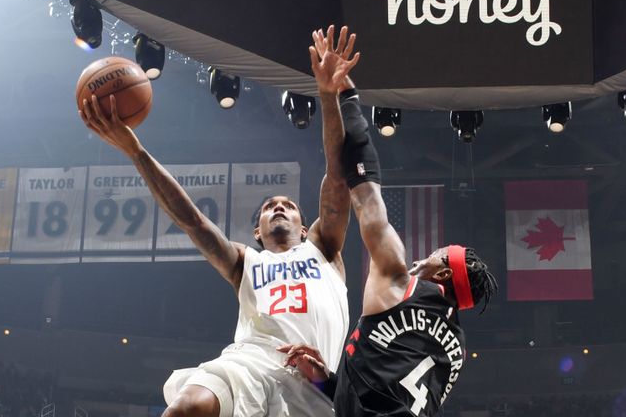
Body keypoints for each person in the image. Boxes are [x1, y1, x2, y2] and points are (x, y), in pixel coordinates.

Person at [78, 26, 361, 417]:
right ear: (257, 231)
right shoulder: (247, 262)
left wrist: (329, 97)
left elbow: (338, 175)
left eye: (289, 205)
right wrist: (134, 149)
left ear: (304, 224)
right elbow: (191, 221)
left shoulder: (323, 248)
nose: (279, 206)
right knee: (188, 405)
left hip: (312, 383)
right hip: (248, 364)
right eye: (270, 206)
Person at [279, 27, 499, 417]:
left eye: (437, 253)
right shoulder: (455, 348)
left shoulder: (399, 279)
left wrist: (346, 95)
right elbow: (386, 390)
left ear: (445, 274)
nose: (426, 256)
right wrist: (327, 379)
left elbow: (364, 191)